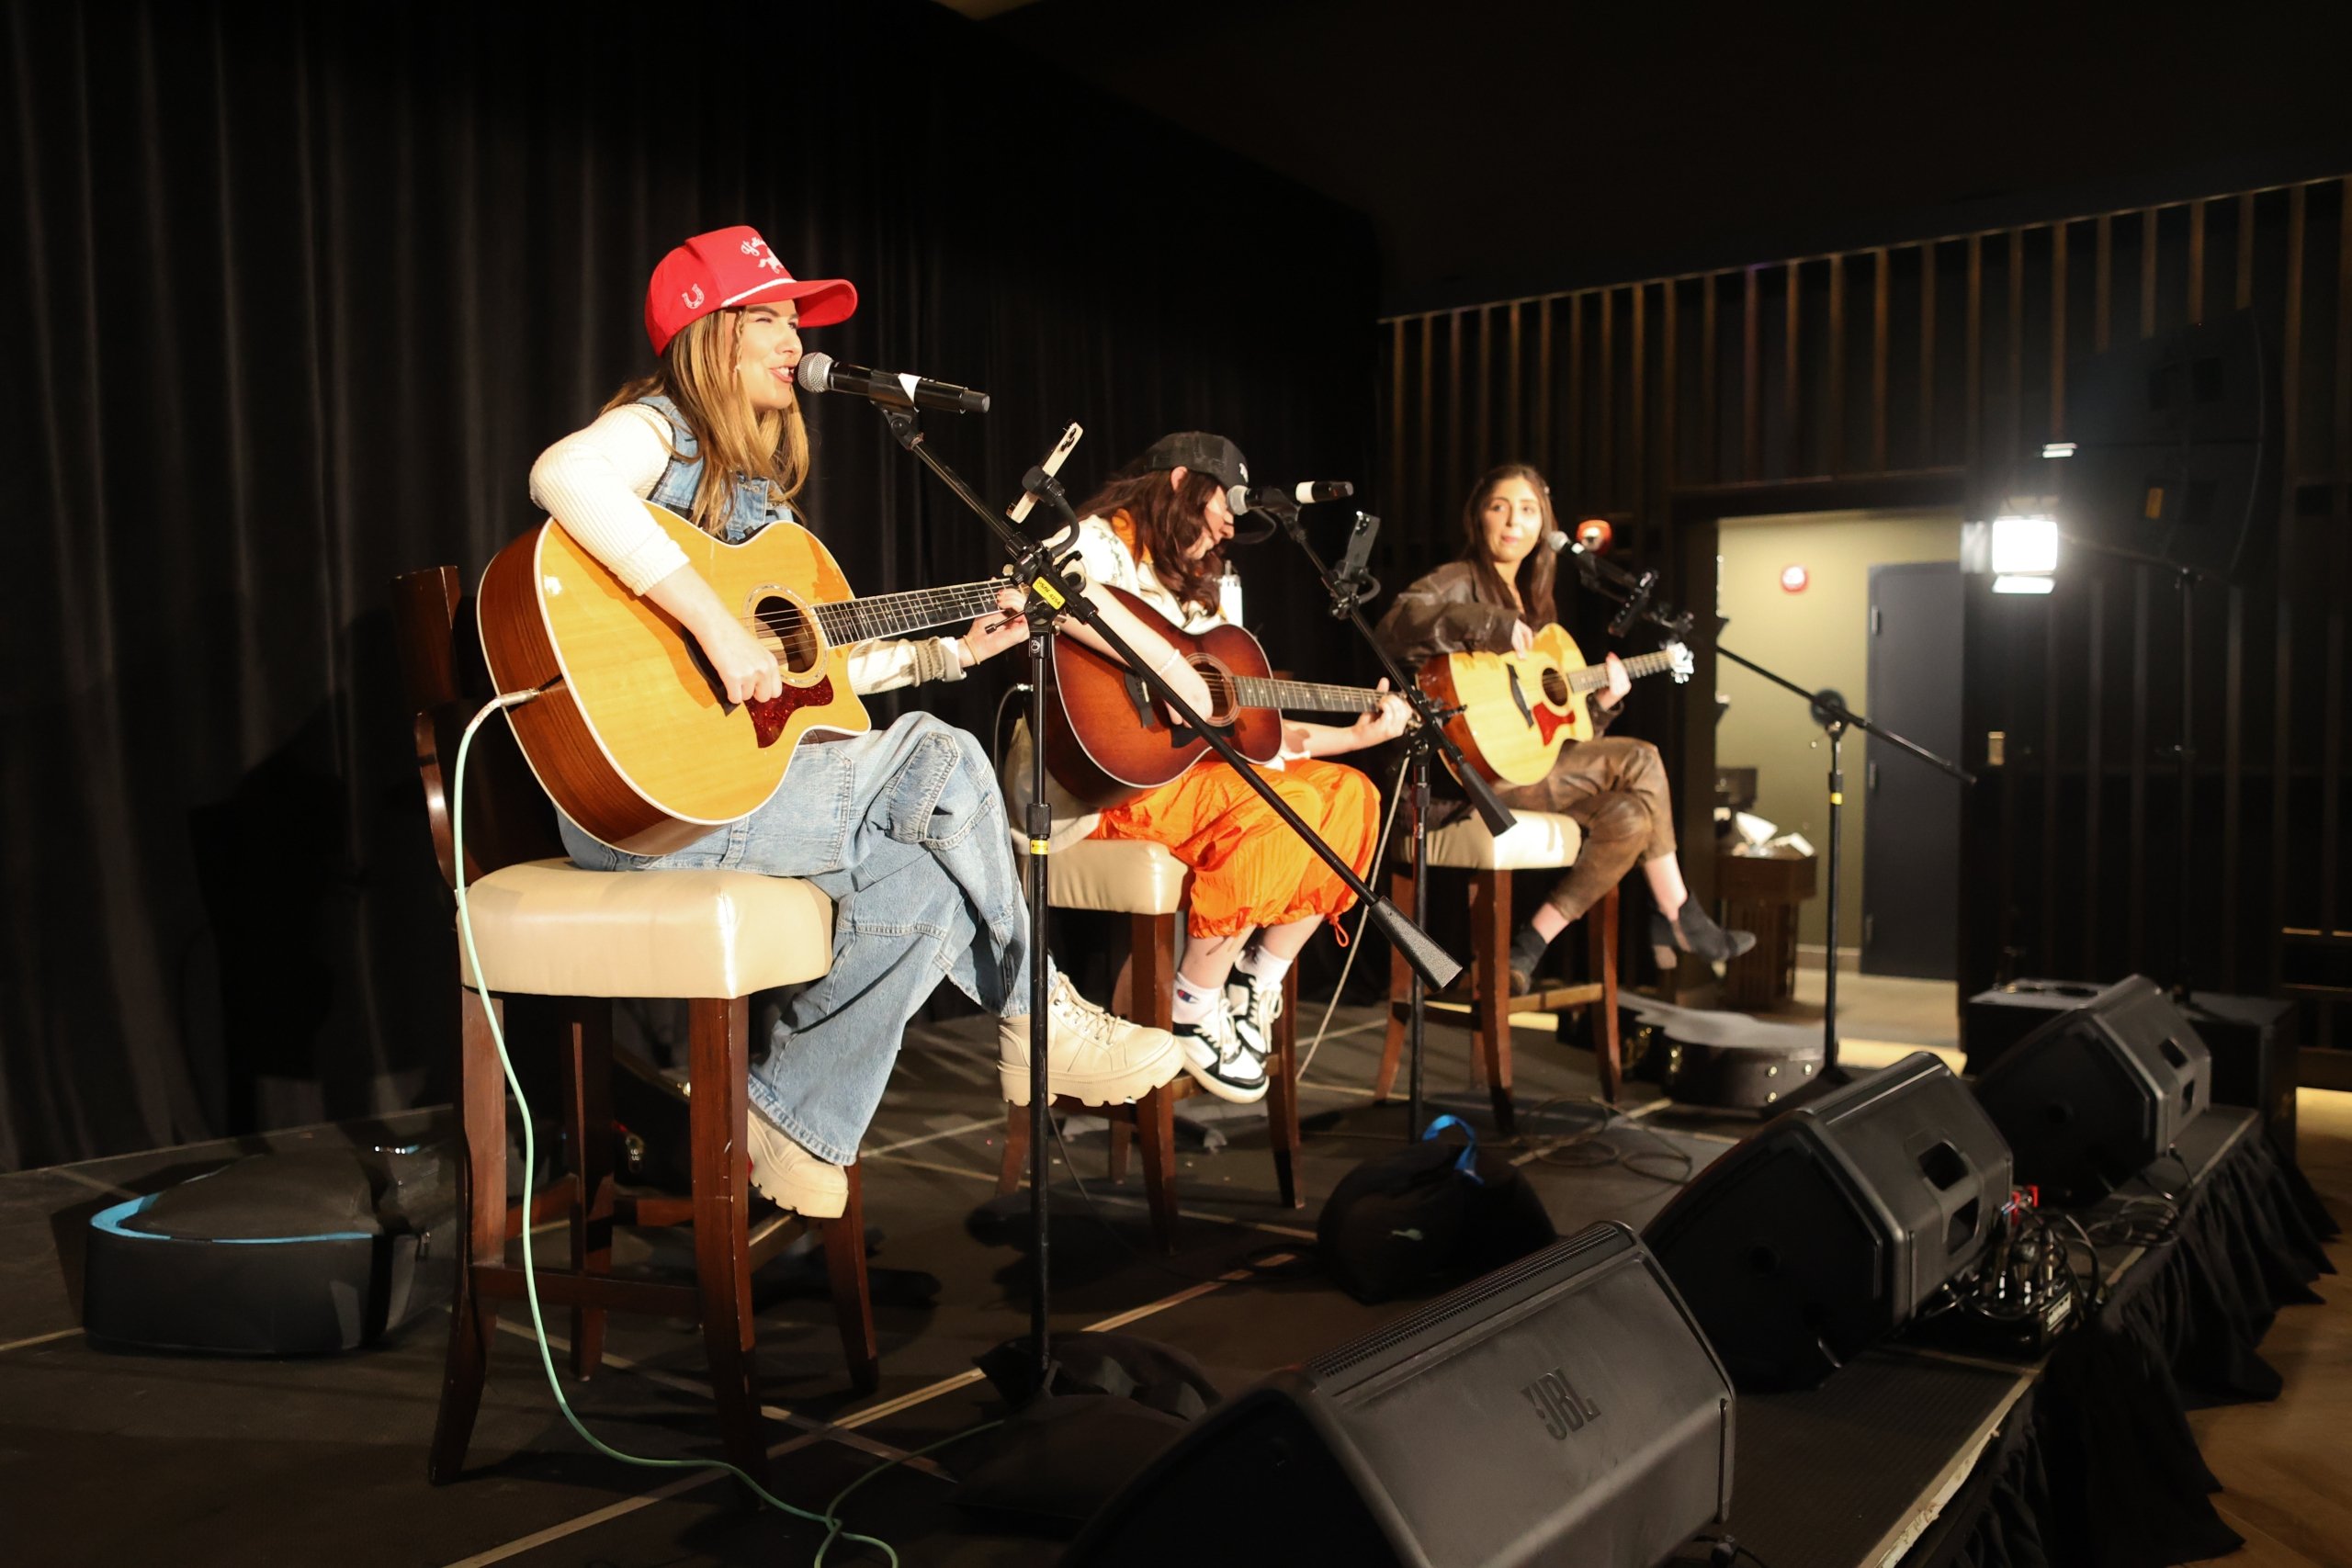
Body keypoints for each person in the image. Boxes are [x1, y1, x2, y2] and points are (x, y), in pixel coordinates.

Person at [524, 225, 1185, 1219]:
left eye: (797, 322)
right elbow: (561, 477)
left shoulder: (765, 510)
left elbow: (828, 665)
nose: (795, 342)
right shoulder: (660, 429)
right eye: (770, 320)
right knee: (940, 754)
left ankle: (790, 1118)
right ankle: (1041, 1022)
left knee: (928, 875)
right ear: (708, 334)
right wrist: (711, 622)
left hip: (735, 798)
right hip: (645, 810)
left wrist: (959, 651)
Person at [1008, 434, 1412, 1104]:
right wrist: (1165, 669)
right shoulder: (1101, 541)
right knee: (1276, 807)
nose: (1231, 523)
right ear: (1177, 483)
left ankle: (1260, 975)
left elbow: (1249, 727)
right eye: (1223, 503)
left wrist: (1355, 733)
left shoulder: (1200, 597)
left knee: (1352, 796)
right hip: (1097, 789)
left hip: (1185, 781)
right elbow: (1031, 589)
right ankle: (1193, 1002)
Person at [1374, 463, 1753, 992]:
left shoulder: (1538, 606)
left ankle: (1529, 947)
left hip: (1519, 767)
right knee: (1642, 758)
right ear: (1477, 517)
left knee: (1628, 816)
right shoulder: (1458, 580)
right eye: (1499, 506)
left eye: (1528, 511)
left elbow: (1556, 734)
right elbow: (1394, 629)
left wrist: (1601, 703)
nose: (1513, 522)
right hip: (1463, 781)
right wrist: (1491, 624)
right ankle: (1678, 914)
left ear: (1544, 526)